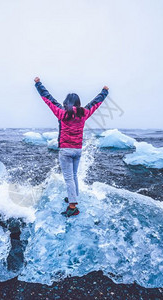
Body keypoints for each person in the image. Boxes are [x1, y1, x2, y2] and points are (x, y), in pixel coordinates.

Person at [34, 76, 109, 217]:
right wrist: (104, 92)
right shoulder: (84, 113)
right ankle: (73, 196)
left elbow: (48, 99)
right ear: (79, 103)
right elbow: (96, 103)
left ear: (66, 103)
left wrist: (38, 84)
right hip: (78, 150)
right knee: (73, 175)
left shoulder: (62, 113)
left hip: (66, 151)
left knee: (68, 178)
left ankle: (72, 206)